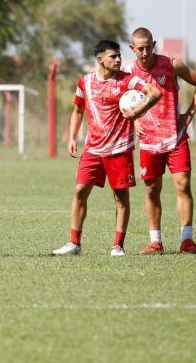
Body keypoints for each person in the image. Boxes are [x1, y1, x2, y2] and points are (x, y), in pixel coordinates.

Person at [53, 40, 161, 257]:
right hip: (92, 149)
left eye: (119, 55)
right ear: (100, 59)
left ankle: (118, 246)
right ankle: (74, 243)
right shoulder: (85, 82)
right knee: (80, 191)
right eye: (113, 56)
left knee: (121, 199)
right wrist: (72, 137)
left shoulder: (127, 80)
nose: (119, 59)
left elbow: (155, 92)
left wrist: (138, 111)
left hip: (119, 149)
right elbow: (78, 109)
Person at [125, 27, 196, 254]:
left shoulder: (171, 64)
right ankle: (155, 242)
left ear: (154, 44)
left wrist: (189, 115)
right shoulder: (127, 72)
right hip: (149, 142)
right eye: (139, 48)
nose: (144, 52)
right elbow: (118, 102)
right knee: (152, 190)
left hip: (175, 137)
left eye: (148, 46)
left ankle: (187, 240)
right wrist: (133, 122)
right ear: (132, 49)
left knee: (182, 185)